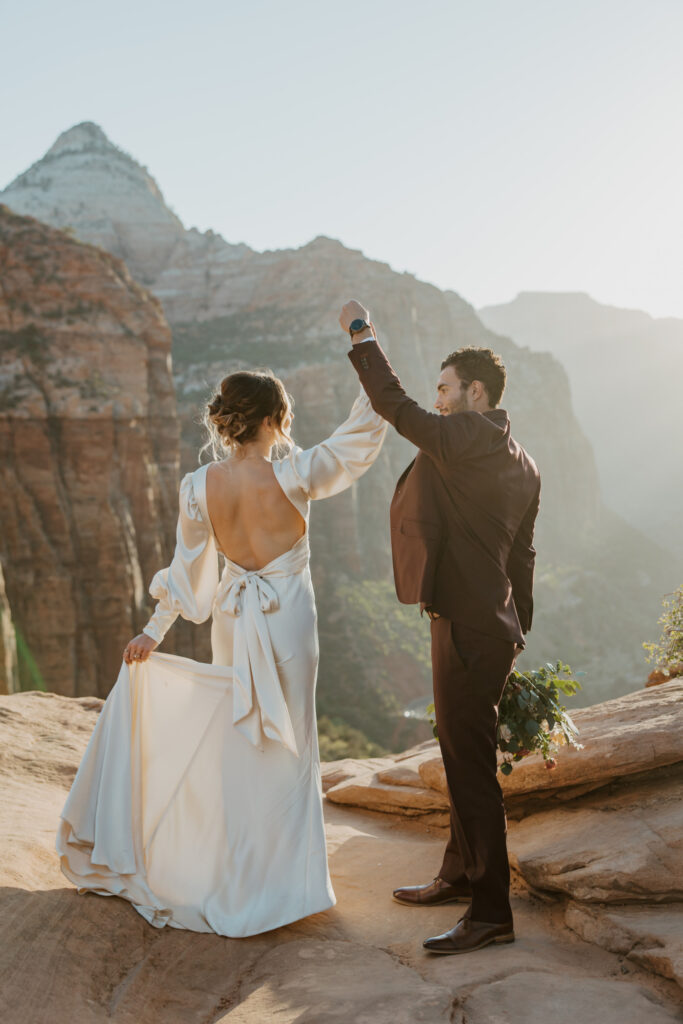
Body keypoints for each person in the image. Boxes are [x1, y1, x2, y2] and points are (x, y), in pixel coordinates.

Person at [57, 361, 387, 937]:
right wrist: (368, 349)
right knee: (292, 743)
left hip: (233, 619)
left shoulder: (198, 486)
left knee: (241, 743)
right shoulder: (295, 473)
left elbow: (187, 576)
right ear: (275, 419)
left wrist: (151, 633)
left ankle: (234, 873)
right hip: (287, 623)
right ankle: (287, 887)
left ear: (228, 423)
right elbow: (359, 438)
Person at [341, 299, 540, 955]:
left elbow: (394, 406)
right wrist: (516, 630)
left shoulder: (464, 437)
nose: (439, 401)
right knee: (460, 758)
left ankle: (490, 914)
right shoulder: (522, 461)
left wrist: (361, 333)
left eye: (446, 390)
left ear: (474, 393)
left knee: (470, 767)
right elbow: (523, 558)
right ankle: (458, 874)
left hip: (464, 624)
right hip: (489, 626)